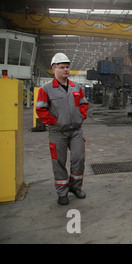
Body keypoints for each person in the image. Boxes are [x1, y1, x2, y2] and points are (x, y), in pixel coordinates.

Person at [36, 53, 89, 205]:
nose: (66, 70)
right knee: (59, 161)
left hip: (76, 131)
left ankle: (75, 187)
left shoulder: (76, 87)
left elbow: (84, 103)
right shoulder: (46, 89)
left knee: (79, 158)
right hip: (57, 132)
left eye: (67, 67)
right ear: (54, 69)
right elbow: (40, 110)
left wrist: (81, 116)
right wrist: (54, 121)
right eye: (62, 67)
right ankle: (62, 192)